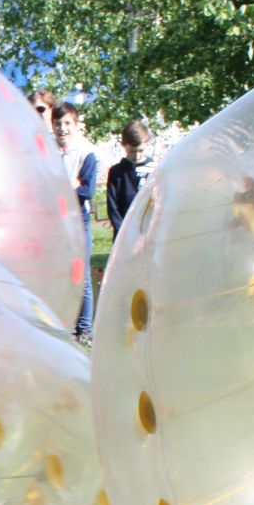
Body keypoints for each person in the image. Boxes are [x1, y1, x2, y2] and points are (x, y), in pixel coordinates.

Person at [51, 102, 96, 344]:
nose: (62, 128)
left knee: (83, 276)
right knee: (60, 272)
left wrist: (65, 189)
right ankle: (63, 323)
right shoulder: (48, 150)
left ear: (75, 125)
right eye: (58, 123)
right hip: (56, 220)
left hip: (79, 219)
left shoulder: (85, 152)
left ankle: (85, 328)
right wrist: (70, 186)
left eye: (67, 123)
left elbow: (87, 191)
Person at [106, 121, 153, 241]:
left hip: (149, 233)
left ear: (147, 144)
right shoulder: (116, 172)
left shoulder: (155, 169)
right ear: (123, 145)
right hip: (124, 236)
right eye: (132, 151)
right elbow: (112, 206)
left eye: (141, 150)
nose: (137, 156)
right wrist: (123, 232)